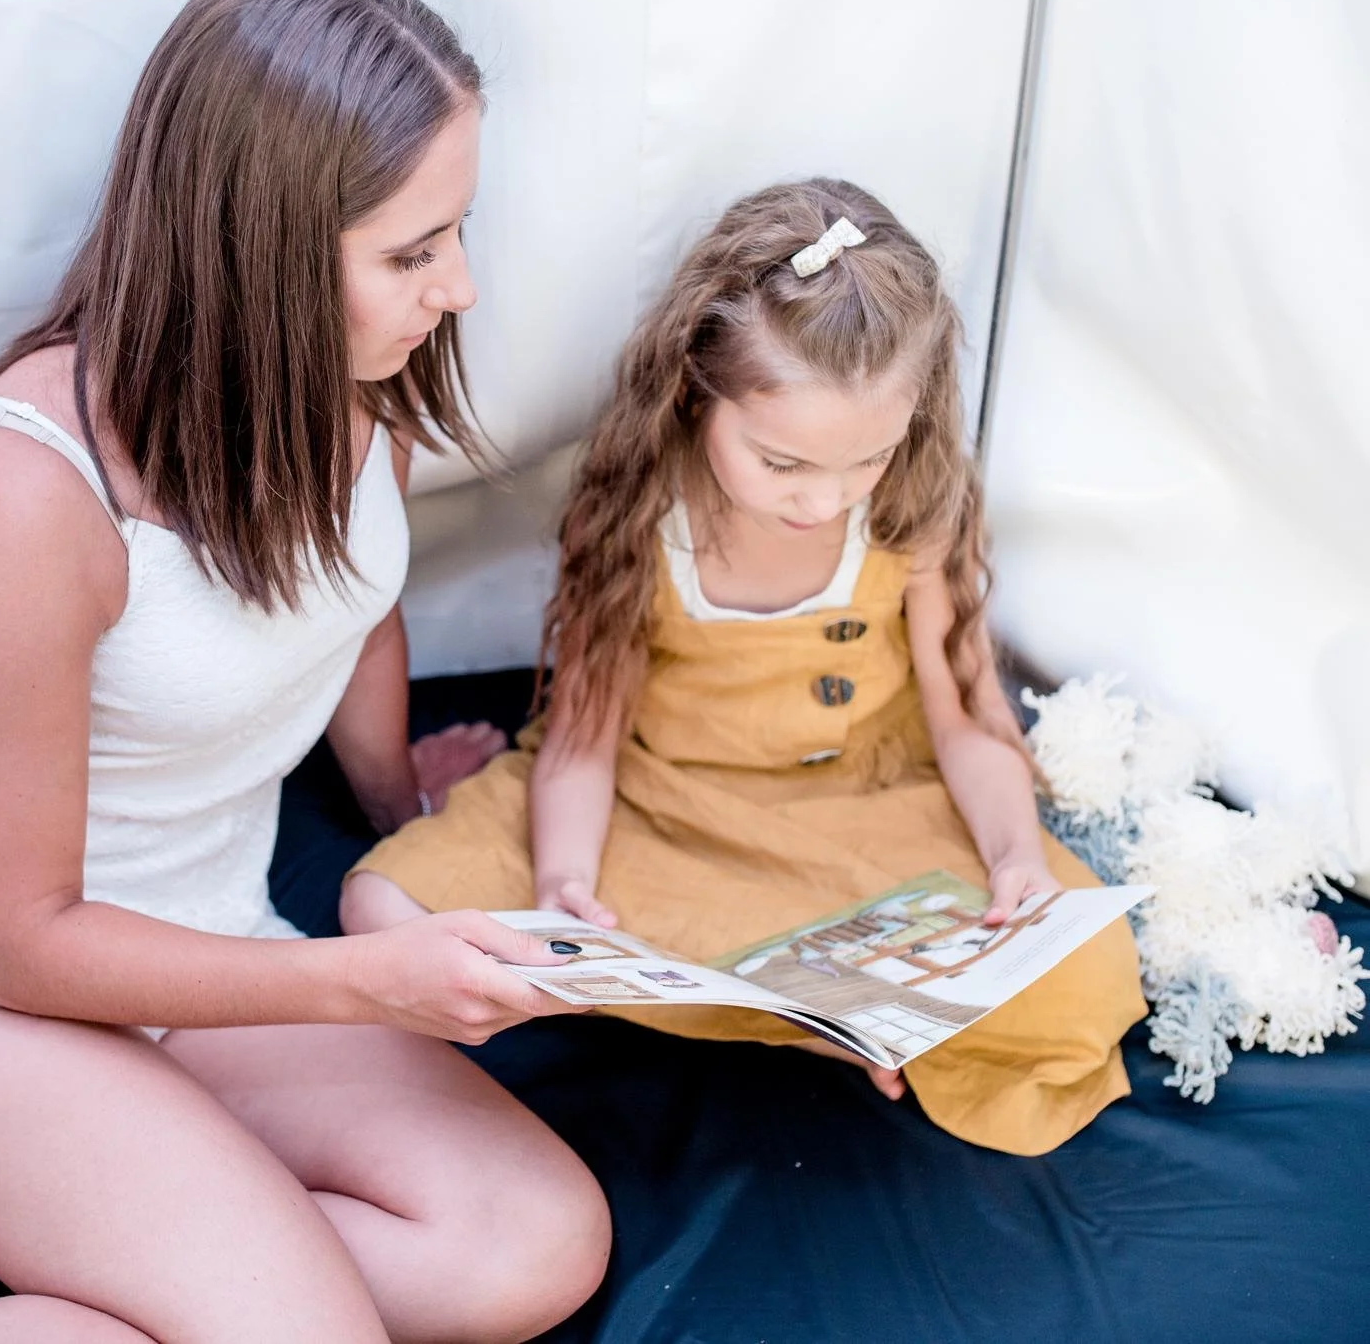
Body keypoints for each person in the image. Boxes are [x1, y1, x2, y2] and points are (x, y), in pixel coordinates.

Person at [0, 0, 610, 1344]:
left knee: (531, 1246)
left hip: (207, 942)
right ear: (265, 248)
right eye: (413, 249)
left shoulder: (355, 388)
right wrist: (359, 982)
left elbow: (350, 612)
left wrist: (395, 799)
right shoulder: (31, 488)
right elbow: (20, 941)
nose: (458, 286)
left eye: (456, 230)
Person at [341, 177, 1149, 1157]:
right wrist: (565, 881)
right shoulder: (638, 504)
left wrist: (1017, 857)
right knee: (383, 911)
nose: (826, 499)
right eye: (783, 464)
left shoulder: (916, 501)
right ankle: (811, 1018)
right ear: (696, 387)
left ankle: (813, 1015)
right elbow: (582, 744)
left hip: (863, 811)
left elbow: (971, 721)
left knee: (1093, 977)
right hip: (661, 806)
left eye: (868, 459)